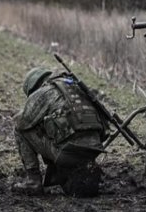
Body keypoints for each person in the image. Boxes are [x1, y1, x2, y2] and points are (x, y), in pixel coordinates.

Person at [13, 67, 108, 197]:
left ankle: (33, 181)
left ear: (33, 87)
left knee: (19, 129)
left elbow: (22, 122)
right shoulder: (75, 86)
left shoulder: (42, 92)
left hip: (69, 152)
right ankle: (78, 169)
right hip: (95, 148)